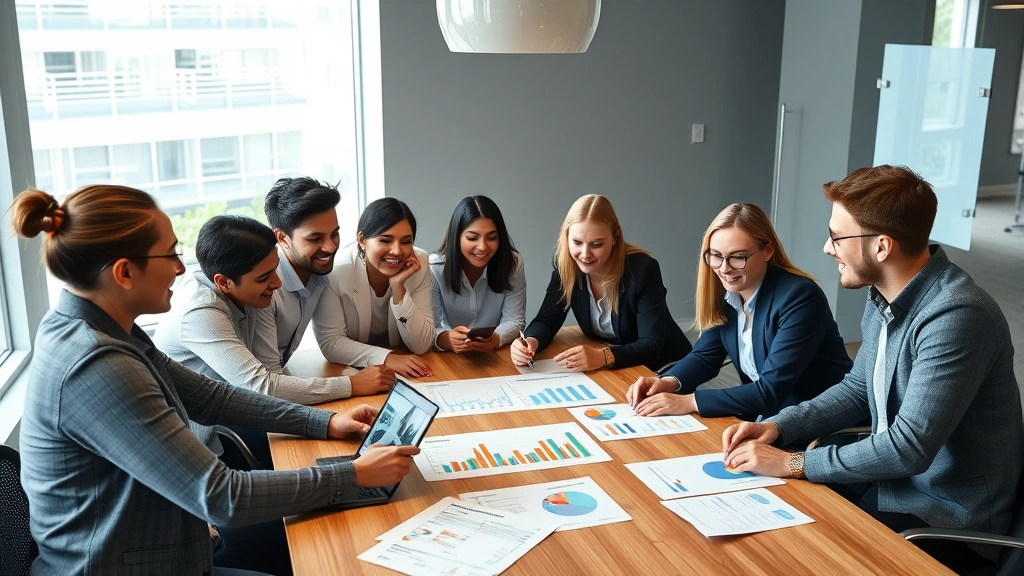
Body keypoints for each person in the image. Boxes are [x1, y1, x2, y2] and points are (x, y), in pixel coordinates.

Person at [13, 185, 420, 575]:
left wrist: (326, 422)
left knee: (327, 533)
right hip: (131, 562)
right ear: (123, 273)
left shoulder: (107, 329)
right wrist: (354, 474)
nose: (180, 268)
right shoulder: (96, 363)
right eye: (170, 254)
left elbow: (212, 399)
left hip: (164, 541)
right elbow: (221, 496)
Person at [720, 166, 1022, 574]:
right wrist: (780, 426)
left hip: (943, 519)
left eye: (837, 237)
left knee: (795, 555)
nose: (827, 248)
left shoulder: (957, 315)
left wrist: (791, 463)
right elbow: (858, 387)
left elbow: (908, 448)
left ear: (882, 247)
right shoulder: (885, 294)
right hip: (893, 488)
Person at [625, 203, 852, 421]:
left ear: (768, 251)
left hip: (816, 426)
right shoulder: (731, 294)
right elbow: (705, 356)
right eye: (715, 255)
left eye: (737, 257)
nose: (724, 268)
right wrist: (668, 382)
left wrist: (690, 402)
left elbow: (769, 391)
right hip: (767, 419)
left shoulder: (799, 297)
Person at [511, 194, 692, 372]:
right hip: (616, 366)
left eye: (596, 244)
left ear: (615, 238)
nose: (585, 254)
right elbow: (546, 321)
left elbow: (651, 346)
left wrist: (602, 356)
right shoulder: (566, 265)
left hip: (665, 367)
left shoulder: (643, 270)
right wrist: (530, 342)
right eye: (576, 242)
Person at [253, 177, 396, 394]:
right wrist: (353, 385)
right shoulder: (265, 289)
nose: (330, 247)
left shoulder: (320, 274)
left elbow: (331, 339)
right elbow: (268, 386)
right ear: (282, 238)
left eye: (335, 234)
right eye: (315, 238)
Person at [314, 198, 434, 378]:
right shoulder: (336, 271)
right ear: (361, 239)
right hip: (351, 371)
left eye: (406, 241)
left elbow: (422, 344)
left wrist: (398, 289)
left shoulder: (419, 263)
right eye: (385, 240)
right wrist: (387, 358)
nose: (397, 251)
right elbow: (331, 343)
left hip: (403, 372)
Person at [430, 195, 526, 352]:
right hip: (447, 357)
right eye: (472, 238)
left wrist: (496, 338)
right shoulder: (435, 268)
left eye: (492, 237)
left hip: (493, 354)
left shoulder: (512, 263)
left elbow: (515, 319)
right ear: (457, 237)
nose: (482, 247)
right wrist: (445, 338)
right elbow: (429, 327)